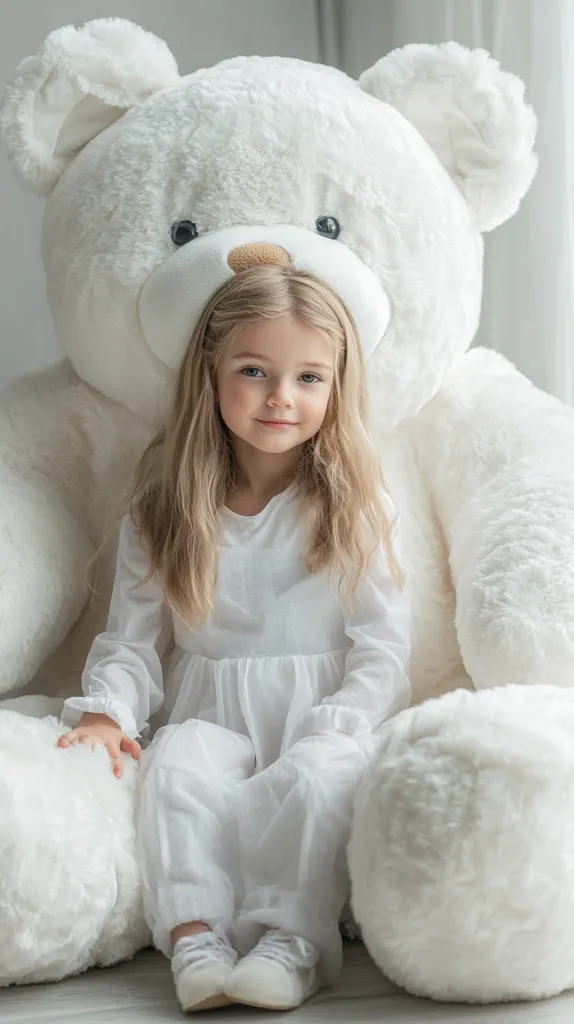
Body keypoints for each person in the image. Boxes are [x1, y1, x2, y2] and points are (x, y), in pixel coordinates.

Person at [58, 265, 411, 1013]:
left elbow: (382, 647)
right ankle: (195, 938)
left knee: (316, 785)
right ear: (209, 376)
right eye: (254, 371)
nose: (282, 396)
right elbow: (131, 640)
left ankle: (293, 944)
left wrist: (341, 724)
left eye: (309, 376)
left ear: (336, 387)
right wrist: (107, 713)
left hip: (321, 715)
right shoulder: (167, 507)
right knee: (177, 774)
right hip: (210, 710)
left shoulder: (351, 505)